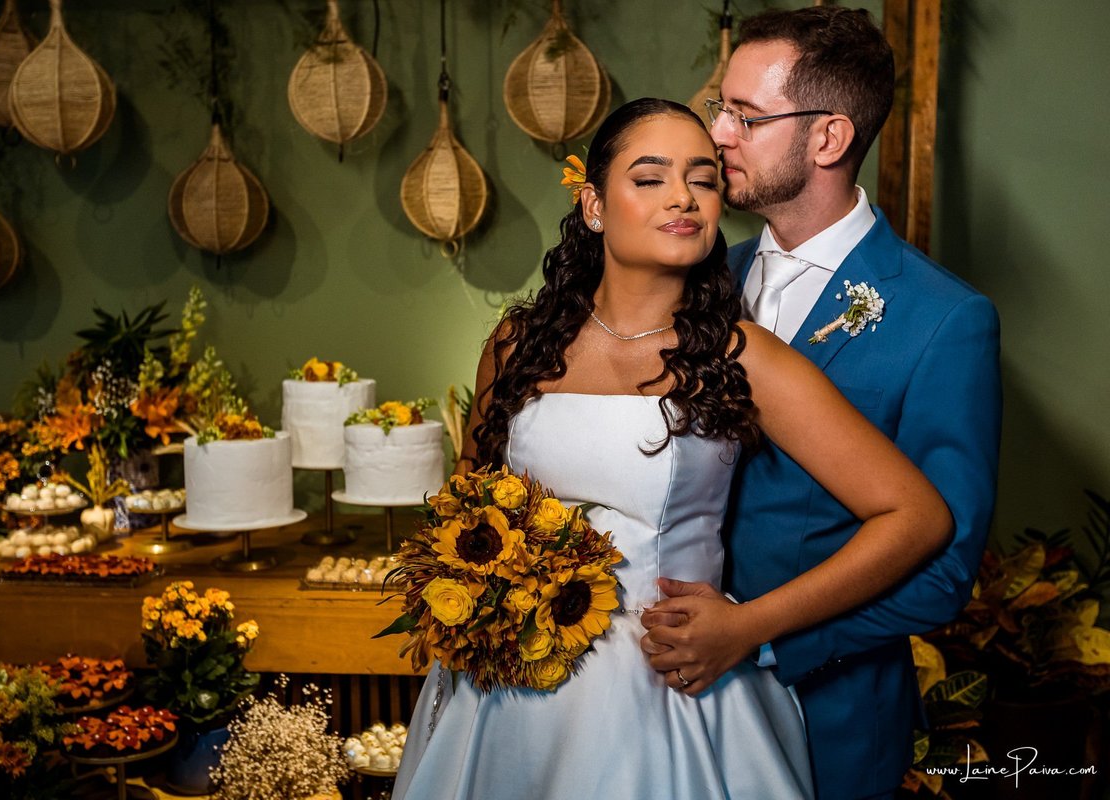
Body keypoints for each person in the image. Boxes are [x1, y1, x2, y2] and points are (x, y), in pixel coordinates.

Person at [392, 97, 953, 800]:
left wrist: (750, 625)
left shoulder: (744, 358)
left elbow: (916, 515)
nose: (682, 197)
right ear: (594, 205)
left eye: (703, 178)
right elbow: (466, 516)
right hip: (508, 692)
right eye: (650, 177)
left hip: (668, 685)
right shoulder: (517, 345)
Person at [640, 8, 1002, 800]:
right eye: (720, 109)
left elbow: (942, 571)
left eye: (747, 116)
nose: (719, 136)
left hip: (826, 717)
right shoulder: (700, 281)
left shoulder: (945, 321)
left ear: (829, 138)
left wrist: (756, 635)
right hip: (662, 704)